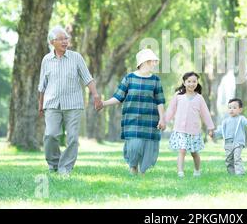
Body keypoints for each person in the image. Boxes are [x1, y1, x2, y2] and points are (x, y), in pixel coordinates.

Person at [38, 25, 102, 177]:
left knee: (72, 137)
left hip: (73, 104)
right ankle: (53, 164)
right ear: (52, 42)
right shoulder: (46, 60)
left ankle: (65, 168)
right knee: (51, 135)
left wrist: (96, 96)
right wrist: (40, 104)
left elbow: (87, 78)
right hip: (52, 104)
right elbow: (42, 85)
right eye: (61, 39)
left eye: (66, 38)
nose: (65, 41)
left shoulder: (76, 57)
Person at [99, 48, 166, 176]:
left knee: (147, 147)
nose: (154, 64)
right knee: (134, 147)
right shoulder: (129, 78)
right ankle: (133, 167)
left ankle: (142, 172)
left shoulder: (155, 80)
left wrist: (162, 118)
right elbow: (119, 97)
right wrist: (104, 103)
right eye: (152, 61)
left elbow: (160, 101)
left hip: (150, 121)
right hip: (132, 119)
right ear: (144, 62)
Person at [165, 72, 215, 178]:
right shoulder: (178, 96)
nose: (191, 84)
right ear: (184, 82)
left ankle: (197, 171)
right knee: (182, 150)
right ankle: (180, 173)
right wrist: (164, 121)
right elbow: (171, 110)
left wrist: (210, 127)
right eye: (189, 81)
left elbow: (205, 113)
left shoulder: (199, 98)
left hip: (194, 130)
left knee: (194, 153)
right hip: (180, 129)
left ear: (197, 83)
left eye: (194, 81)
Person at [213, 98, 247, 176]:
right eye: (230, 108)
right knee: (228, 160)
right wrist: (213, 134)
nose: (231, 110)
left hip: (238, 142)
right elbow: (220, 131)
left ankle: (240, 174)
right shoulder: (225, 121)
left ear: (240, 110)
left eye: (234, 108)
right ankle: (232, 174)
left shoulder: (241, 119)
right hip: (228, 143)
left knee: (237, 157)